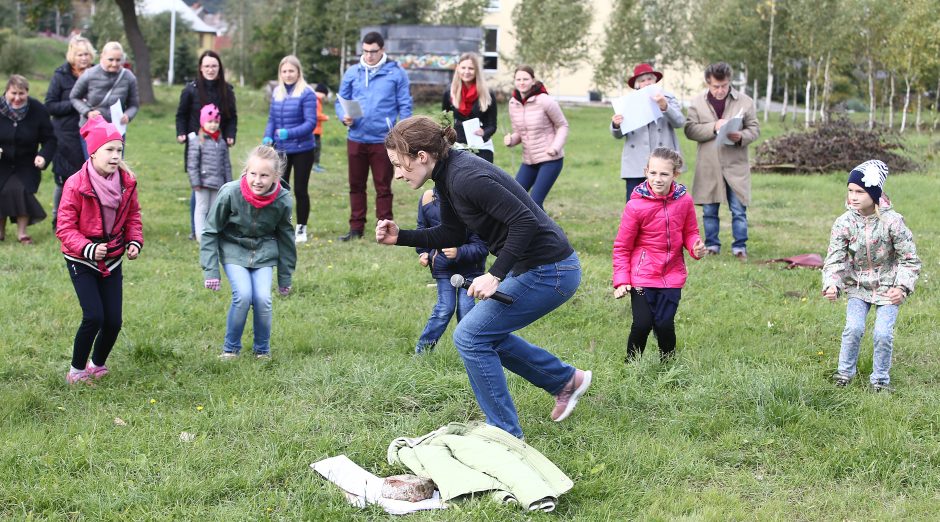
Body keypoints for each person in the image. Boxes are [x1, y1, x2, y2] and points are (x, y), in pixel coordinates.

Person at [376, 115, 591, 439]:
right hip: (538, 267)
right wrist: (402, 236)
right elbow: (452, 231)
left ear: (422, 156)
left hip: (552, 270)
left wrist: (495, 274)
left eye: (398, 164)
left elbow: (524, 221)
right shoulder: (447, 177)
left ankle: (505, 435)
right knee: (482, 334)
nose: (397, 174)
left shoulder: (466, 176)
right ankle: (564, 381)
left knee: (470, 336)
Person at [56, 116, 142, 384]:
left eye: (119, 150)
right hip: (81, 258)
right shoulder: (75, 184)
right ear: (92, 152)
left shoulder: (127, 182)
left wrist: (134, 241)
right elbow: (64, 227)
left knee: (113, 321)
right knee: (94, 315)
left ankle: (97, 363)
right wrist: (88, 248)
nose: (115, 156)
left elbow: (133, 216)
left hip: (113, 258)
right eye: (109, 150)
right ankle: (76, 370)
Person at [823, 160, 920, 392]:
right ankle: (844, 374)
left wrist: (902, 287)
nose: (853, 197)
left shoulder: (892, 222)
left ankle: (880, 381)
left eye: (860, 191)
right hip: (858, 285)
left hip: (888, 286)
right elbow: (835, 258)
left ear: (875, 193)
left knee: (883, 333)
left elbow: (909, 259)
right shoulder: (844, 223)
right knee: (854, 329)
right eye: (850, 191)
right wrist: (832, 284)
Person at [200, 145, 297, 359]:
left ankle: (262, 351)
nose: (257, 180)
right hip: (233, 249)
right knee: (243, 296)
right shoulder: (230, 193)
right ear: (246, 171)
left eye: (264, 175)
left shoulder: (282, 200)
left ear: (275, 176)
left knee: (263, 298)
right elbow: (210, 231)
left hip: (264, 252)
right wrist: (211, 271)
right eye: (253, 173)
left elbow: (286, 238)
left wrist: (285, 277)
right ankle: (230, 349)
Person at [612, 148, 706, 361]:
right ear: (646, 172)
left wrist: (695, 247)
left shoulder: (684, 201)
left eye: (664, 174)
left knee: (664, 324)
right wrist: (621, 281)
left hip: (671, 276)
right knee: (642, 324)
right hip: (641, 277)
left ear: (675, 175)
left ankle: (668, 367)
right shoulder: (635, 206)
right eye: (653, 173)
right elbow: (622, 247)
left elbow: (690, 232)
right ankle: (631, 367)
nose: (658, 179)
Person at [335, 31, 413, 241]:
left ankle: (385, 227)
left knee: (382, 186)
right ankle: (356, 228)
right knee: (356, 185)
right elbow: (339, 100)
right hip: (357, 137)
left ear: (382, 50)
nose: (369, 56)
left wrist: (402, 133)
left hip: (383, 140)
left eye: (373, 51)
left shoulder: (396, 73)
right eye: (366, 51)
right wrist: (343, 116)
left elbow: (405, 105)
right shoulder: (353, 72)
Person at [683, 62, 759, 260]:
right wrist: (714, 127)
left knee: (739, 209)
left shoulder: (745, 101)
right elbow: (690, 130)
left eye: (724, 85)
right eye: (716, 86)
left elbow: (754, 129)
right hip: (708, 165)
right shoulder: (697, 102)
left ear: (729, 82)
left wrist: (741, 136)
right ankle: (711, 245)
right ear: (708, 83)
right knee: (709, 209)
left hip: (735, 164)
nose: (720, 90)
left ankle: (740, 247)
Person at [414, 187, 488, 354]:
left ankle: (470, 351)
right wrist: (424, 252)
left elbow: (482, 247)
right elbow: (423, 230)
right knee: (444, 308)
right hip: (444, 268)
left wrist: (459, 252)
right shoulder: (428, 199)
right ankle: (423, 351)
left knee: (466, 309)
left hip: (470, 270)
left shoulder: (474, 206)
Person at [175, 50, 238, 239]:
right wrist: (181, 133)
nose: (210, 69)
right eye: (207, 66)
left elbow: (232, 117)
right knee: (199, 186)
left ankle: (214, 226)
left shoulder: (227, 90)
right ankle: (197, 230)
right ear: (201, 69)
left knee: (217, 186)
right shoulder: (190, 89)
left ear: (219, 68)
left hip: (218, 144)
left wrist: (230, 135)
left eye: (214, 66)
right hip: (197, 143)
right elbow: (181, 115)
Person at [262, 55, 316, 244]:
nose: (288, 74)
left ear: (298, 72)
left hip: (303, 149)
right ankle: (281, 226)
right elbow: (272, 119)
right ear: (280, 73)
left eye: (291, 71)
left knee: (300, 189)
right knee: (279, 188)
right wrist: (268, 135)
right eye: (284, 71)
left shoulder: (307, 93)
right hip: (281, 150)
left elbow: (311, 123)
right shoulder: (277, 92)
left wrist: (289, 133)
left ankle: (301, 228)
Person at [611, 63, 685, 200]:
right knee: (635, 203)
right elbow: (617, 135)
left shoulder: (668, 98)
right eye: (642, 80)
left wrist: (665, 107)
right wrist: (616, 124)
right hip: (636, 162)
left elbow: (680, 122)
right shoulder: (627, 103)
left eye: (649, 79)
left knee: (664, 202)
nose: (646, 83)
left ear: (655, 81)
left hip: (664, 160)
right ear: (637, 85)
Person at [45, 35, 95, 232]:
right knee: (66, 179)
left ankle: (84, 219)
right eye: (79, 54)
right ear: (72, 55)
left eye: (86, 54)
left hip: (90, 133)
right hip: (65, 134)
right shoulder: (61, 75)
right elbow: (49, 105)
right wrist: (76, 104)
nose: (83, 58)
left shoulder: (97, 73)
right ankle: (58, 218)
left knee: (89, 179)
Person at [0, 75, 56, 244]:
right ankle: (0, 232)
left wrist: (43, 156)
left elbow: (50, 139)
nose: (17, 98)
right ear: (6, 92)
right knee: (1, 190)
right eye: (13, 93)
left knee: (21, 190)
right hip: (1, 164)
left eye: (21, 94)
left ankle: (22, 233)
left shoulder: (38, 109)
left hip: (27, 164)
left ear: (27, 93)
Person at [503, 66, 568, 209]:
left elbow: (563, 125)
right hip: (529, 160)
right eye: (518, 79)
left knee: (535, 202)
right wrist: (511, 140)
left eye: (525, 79)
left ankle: (550, 232)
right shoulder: (513, 103)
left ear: (533, 80)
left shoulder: (545, 100)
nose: (522, 82)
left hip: (550, 159)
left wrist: (555, 147)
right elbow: (519, 132)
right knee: (514, 197)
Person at [69, 41, 140, 155]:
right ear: (102, 57)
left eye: (118, 60)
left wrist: (128, 115)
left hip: (115, 130)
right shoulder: (89, 74)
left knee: (114, 167)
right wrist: (88, 112)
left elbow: (134, 105)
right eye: (111, 60)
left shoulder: (128, 77)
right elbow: (74, 97)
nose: (115, 64)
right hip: (92, 129)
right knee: (94, 168)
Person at [187, 104, 232, 240]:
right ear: (203, 122)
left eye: (216, 122)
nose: (213, 125)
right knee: (201, 209)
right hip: (202, 183)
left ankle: (212, 235)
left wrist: (228, 183)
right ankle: (201, 237)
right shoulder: (197, 142)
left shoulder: (222, 142)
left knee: (215, 210)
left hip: (218, 183)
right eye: (210, 121)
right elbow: (192, 164)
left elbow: (226, 165)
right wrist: (195, 182)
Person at [442, 52, 497, 163]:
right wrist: (449, 135)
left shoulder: (487, 93)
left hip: (481, 145)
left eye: (471, 68)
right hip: (458, 145)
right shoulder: (449, 92)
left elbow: (492, 125)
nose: (466, 72)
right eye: (463, 68)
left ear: (477, 70)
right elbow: (445, 121)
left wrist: (484, 132)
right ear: (458, 68)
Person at [312, 83, 329, 172]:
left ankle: (316, 165)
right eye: (324, 94)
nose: (324, 97)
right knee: (316, 148)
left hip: (316, 129)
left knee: (317, 148)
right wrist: (326, 117)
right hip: (314, 130)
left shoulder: (316, 100)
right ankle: (315, 166)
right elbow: (316, 115)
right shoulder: (316, 101)